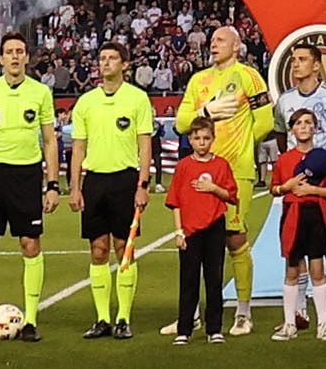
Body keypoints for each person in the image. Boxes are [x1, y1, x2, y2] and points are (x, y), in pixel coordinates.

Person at [174, 20, 272, 333]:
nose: (213, 44)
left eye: (220, 40)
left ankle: (243, 312)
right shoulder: (198, 80)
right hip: (198, 172)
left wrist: (242, 147)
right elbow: (180, 122)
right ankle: (192, 315)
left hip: (235, 171)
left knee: (234, 237)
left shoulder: (249, 77)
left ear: (235, 46)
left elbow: (266, 121)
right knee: (196, 239)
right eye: (212, 40)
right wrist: (204, 112)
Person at [0, 33, 59, 331]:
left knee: (30, 244)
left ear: (27, 58)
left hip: (27, 175)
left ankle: (31, 319)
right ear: (1, 59)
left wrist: (53, 184)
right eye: (10, 52)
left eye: (20, 51)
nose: (16, 57)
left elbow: (49, 141)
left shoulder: (41, 93)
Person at [67, 39, 156, 342]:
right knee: (98, 250)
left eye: (112, 58)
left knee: (124, 249)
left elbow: (145, 145)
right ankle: (102, 318)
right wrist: (75, 187)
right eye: (102, 58)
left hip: (125, 180)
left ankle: (123, 318)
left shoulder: (137, 99)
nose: (105, 63)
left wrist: (143, 185)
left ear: (125, 64)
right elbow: (78, 148)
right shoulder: (86, 102)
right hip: (95, 181)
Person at [169, 133, 242, 343]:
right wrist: (178, 231)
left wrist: (214, 189)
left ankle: (214, 329)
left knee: (214, 278)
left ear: (213, 140)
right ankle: (184, 329)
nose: (202, 142)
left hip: (214, 227)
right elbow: (175, 201)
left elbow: (231, 196)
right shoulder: (183, 166)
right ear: (190, 141)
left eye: (206, 138)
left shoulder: (221, 165)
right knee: (188, 280)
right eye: (197, 138)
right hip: (190, 230)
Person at [273, 124, 326, 339]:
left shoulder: (323, 158)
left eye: (307, 123)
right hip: (292, 216)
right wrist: (287, 186)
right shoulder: (284, 160)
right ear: (292, 130)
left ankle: (323, 325)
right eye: (298, 124)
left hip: (316, 216)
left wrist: (312, 190)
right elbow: (274, 188)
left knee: (317, 269)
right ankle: (289, 324)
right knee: (292, 270)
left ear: (314, 129)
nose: (303, 127)